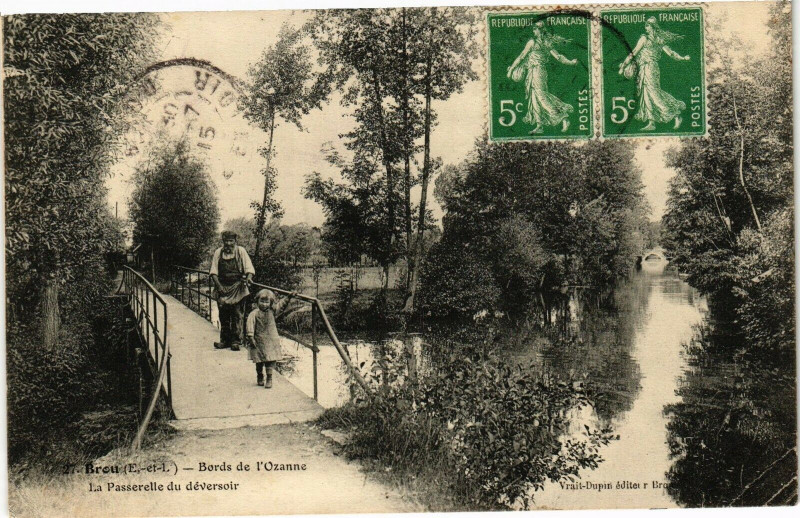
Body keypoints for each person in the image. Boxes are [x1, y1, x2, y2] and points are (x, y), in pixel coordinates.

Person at [619, 17, 690, 131]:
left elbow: (670, 53)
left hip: (651, 68)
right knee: (645, 93)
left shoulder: (656, 40)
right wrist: (624, 64)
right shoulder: (647, 38)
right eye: (645, 25)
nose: (645, 27)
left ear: (652, 27)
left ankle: (676, 115)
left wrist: (682, 58)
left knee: (654, 93)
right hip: (643, 68)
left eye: (647, 25)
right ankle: (651, 122)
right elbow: (635, 53)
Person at [507, 20, 578, 134]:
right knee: (534, 97)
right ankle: (539, 125)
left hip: (538, 71)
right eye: (533, 29)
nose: (533, 31)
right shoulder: (546, 42)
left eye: (535, 29)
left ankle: (563, 117)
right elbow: (558, 57)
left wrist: (511, 70)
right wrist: (570, 62)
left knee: (541, 96)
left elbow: (521, 57)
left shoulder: (534, 42)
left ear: (540, 30)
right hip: (533, 71)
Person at [209, 231, 255, 351]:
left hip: (237, 288)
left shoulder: (241, 251)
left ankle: (236, 341)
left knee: (237, 315)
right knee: (223, 315)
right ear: (223, 241)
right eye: (226, 241)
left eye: (231, 241)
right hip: (222, 288)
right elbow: (213, 272)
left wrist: (248, 278)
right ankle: (224, 340)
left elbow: (249, 268)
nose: (228, 244)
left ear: (235, 242)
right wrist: (219, 286)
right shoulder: (218, 253)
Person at [246, 288, 296, 388]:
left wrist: (289, 297)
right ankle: (260, 375)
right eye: (262, 301)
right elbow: (250, 325)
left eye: (266, 302)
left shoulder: (273, 311)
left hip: (270, 340)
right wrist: (251, 336)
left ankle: (269, 378)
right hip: (258, 340)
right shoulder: (254, 313)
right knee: (259, 360)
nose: (264, 304)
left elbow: (281, 305)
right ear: (257, 301)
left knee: (270, 359)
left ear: (270, 302)